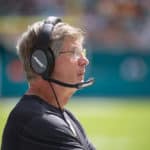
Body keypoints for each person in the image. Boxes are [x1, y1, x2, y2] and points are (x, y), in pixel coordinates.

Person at [1, 16, 95, 150]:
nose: (85, 61)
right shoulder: (37, 120)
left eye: (82, 52)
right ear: (43, 62)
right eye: (74, 53)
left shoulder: (66, 117)